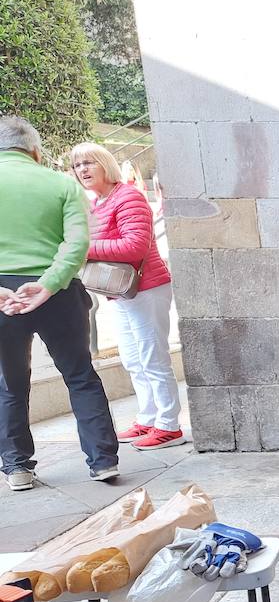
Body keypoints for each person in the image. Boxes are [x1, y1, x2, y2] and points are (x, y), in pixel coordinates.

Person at [0, 116, 119, 492]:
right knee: (81, 376)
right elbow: (77, 244)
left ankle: (17, 467)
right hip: (59, 292)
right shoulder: (61, 184)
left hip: (4, 297)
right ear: (34, 150)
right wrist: (49, 284)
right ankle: (103, 462)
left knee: (9, 383)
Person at [69, 142, 184, 449]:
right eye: (77, 165)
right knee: (133, 359)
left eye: (89, 163)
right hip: (120, 293)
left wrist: (85, 249)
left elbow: (134, 246)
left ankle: (169, 425)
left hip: (146, 288)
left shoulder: (128, 196)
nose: (82, 170)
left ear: (105, 164)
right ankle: (148, 418)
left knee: (153, 358)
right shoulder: (98, 202)